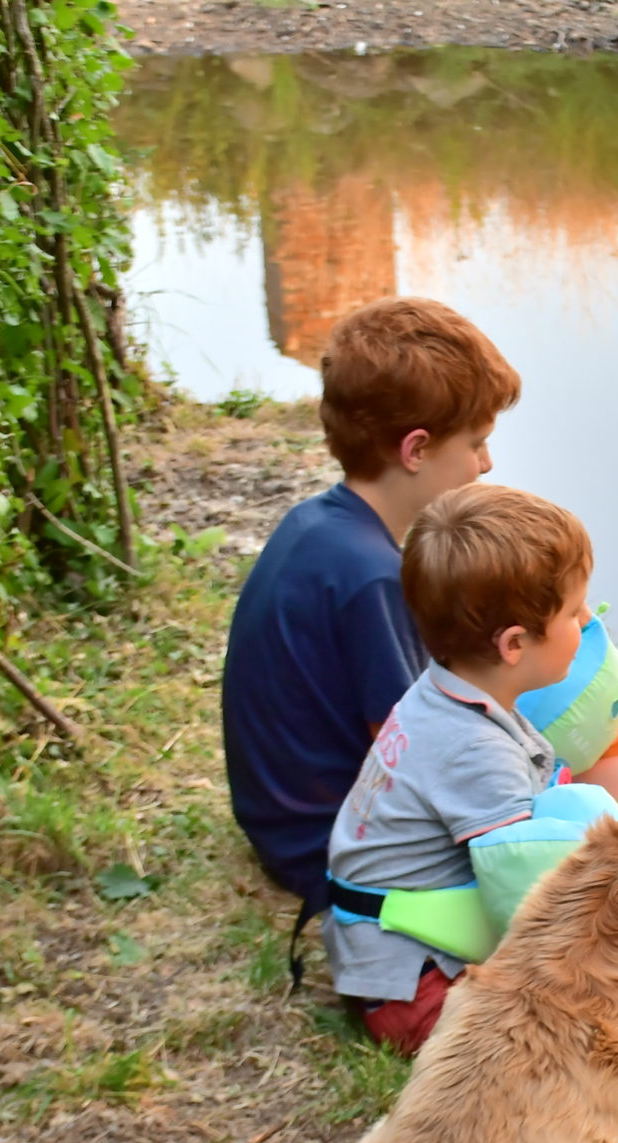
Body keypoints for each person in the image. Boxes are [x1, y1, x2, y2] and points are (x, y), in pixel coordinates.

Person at [221, 297, 521, 910]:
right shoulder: (373, 578)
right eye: (477, 443)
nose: (487, 463)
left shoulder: (319, 524)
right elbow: (415, 749)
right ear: (415, 450)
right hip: (327, 849)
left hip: (279, 822)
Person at [325, 483, 618, 1053]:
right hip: (414, 987)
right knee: (576, 1044)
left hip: (379, 950)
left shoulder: (446, 693)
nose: (588, 619)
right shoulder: (474, 751)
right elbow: (522, 897)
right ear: (515, 644)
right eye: (573, 611)